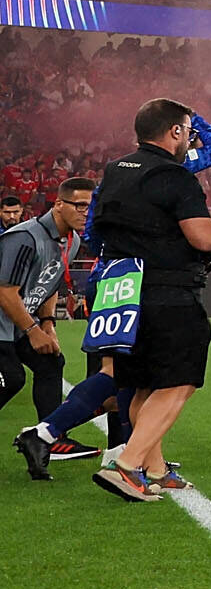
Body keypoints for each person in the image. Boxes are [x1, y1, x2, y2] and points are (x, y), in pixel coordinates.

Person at [72, 101, 211, 501]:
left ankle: (154, 469)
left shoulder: (115, 171)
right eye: (188, 131)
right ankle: (126, 466)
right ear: (176, 132)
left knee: (143, 384)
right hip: (166, 294)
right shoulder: (174, 177)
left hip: (120, 290)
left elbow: (99, 230)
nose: (190, 140)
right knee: (179, 382)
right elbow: (203, 237)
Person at [0, 176, 90, 452]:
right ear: (59, 204)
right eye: (80, 206)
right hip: (6, 323)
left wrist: (48, 323)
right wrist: (32, 330)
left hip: (17, 323)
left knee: (50, 363)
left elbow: (51, 284)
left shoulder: (71, 241)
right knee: (12, 378)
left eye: (91, 207)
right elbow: (5, 292)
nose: (86, 213)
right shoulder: (24, 238)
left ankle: (49, 440)